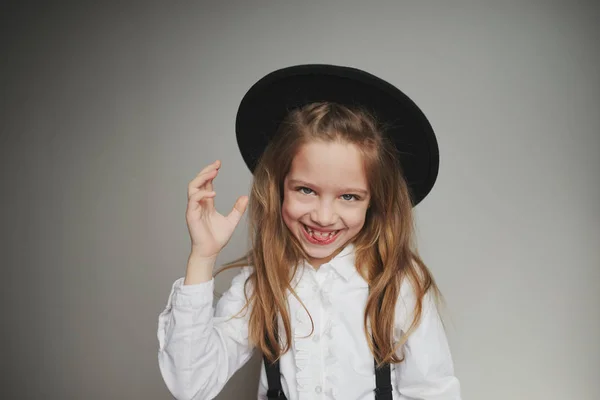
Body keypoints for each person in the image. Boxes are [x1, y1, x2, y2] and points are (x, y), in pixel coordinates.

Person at [157, 65, 462, 400]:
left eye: (349, 196)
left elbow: (433, 392)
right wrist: (203, 257)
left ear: (374, 202)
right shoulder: (260, 282)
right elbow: (191, 384)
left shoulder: (399, 285)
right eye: (306, 190)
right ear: (278, 188)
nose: (323, 216)